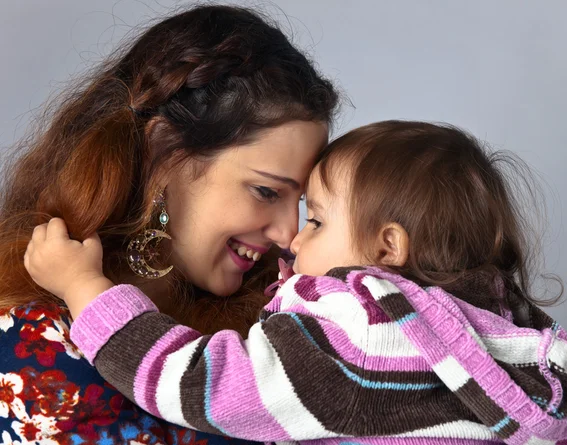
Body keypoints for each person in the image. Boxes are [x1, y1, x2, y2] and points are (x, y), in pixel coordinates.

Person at [25, 121, 567, 443]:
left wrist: (82, 288)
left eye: (314, 218)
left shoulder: (362, 336)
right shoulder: (501, 335)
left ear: (387, 249)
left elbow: (200, 383)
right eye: (270, 194)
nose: (291, 238)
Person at [0, 4, 338, 444]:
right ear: (164, 154)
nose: (288, 233)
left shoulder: (288, 313)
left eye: (304, 205)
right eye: (266, 192)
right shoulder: (37, 347)